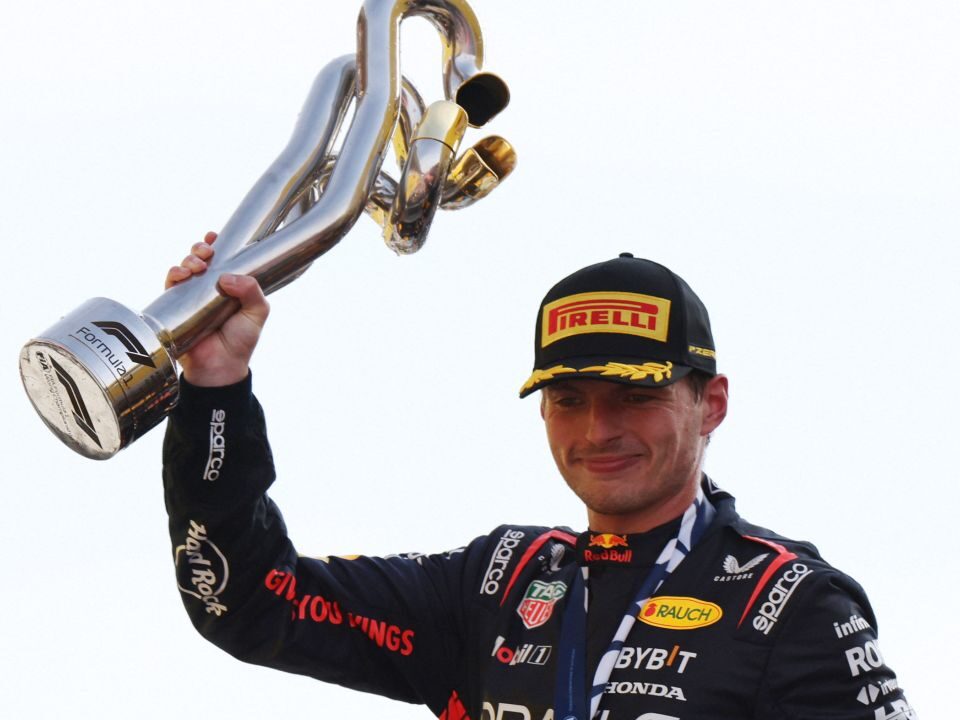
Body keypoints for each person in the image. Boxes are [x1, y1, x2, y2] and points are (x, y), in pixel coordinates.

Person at [163, 236, 916, 720]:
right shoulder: (497, 583)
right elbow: (248, 601)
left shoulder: (788, 604)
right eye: (569, 400)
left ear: (710, 404)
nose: (597, 430)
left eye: (635, 396)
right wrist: (216, 387)